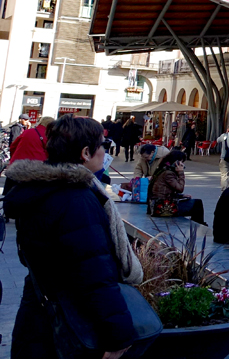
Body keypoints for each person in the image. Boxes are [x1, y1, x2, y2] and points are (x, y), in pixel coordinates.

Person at [6, 114, 144, 359]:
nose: (105, 151)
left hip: (37, 316)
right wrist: (118, 335)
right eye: (102, 145)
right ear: (85, 153)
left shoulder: (39, 189)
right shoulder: (76, 200)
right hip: (69, 326)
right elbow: (94, 274)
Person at [148, 150, 206, 225]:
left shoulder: (163, 169)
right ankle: (199, 226)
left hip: (158, 203)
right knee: (197, 204)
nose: (183, 164)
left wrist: (181, 196)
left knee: (194, 202)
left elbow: (166, 191)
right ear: (176, 162)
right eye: (181, 162)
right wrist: (181, 173)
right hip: (162, 207)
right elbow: (180, 188)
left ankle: (197, 225)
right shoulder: (168, 174)